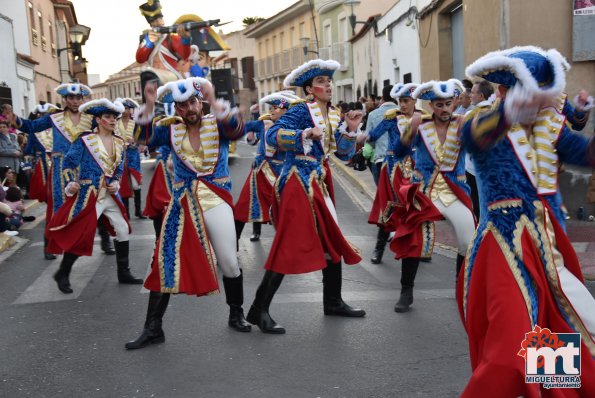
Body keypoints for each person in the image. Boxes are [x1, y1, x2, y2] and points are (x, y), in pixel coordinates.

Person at [460, 45, 595, 397]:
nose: (550, 102)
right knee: (511, 346)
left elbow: (583, 152)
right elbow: (474, 136)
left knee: (560, 327)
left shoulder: (549, 125)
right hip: (504, 245)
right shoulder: (482, 119)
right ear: (508, 91)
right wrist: (509, 112)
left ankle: (553, 392)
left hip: (547, 243)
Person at [125, 76, 249, 350]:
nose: (189, 109)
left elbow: (238, 130)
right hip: (182, 203)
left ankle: (236, 312)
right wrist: (147, 103)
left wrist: (216, 100)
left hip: (215, 199)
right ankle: (153, 327)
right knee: (163, 260)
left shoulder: (217, 123)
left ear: (200, 102)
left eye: (193, 102)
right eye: (182, 106)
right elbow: (140, 138)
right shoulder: (169, 130)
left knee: (228, 261)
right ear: (176, 109)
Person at [246, 59, 366, 335]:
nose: (328, 86)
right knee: (289, 243)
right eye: (322, 82)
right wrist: (304, 133)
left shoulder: (334, 114)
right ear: (310, 89)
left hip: (319, 183)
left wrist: (350, 129)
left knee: (331, 238)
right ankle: (258, 309)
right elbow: (274, 135)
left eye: (329, 81)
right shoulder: (300, 110)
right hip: (297, 182)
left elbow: (343, 154)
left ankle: (333, 301)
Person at [391, 79, 476, 313]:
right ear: (431, 106)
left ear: (455, 102)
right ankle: (406, 291)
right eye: (439, 105)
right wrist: (411, 129)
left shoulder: (464, 124)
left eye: (449, 103)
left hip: (454, 191)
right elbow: (399, 152)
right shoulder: (420, 124)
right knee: (413, 241)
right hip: (424, 191)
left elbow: (483, 145)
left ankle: (462, 289)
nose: (445, 109)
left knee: (468, 241)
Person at [46, 99, 142, 294]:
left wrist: (115, 181)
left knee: (122, 229)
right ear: (98, 119)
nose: (113, 120)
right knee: (82, 233)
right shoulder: (85, 140)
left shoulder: (119, 142)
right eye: (107, 117)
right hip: (90, 194)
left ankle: (124, 272)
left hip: (110, 195)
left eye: (114, 117)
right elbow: (68, 164)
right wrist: (71, 181)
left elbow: (118, 170)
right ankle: (63, 273)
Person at [12, 84, 118, 256]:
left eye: (78, 98)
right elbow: (31, 127)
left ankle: (105, 240)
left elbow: (107, 131)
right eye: (71, 98)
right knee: (58, 206)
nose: (75, 101)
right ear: (65, 99)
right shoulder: (54, 118)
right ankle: (50, 245)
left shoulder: (91, 118)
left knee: (93, 202)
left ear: (83, 99)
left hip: (86, 165)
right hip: (61, 167)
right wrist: (14, 118)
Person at [362, 83, 421, 265]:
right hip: (393, 169)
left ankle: (417, 248)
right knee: (389, 209)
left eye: (406, 101)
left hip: (414, 170)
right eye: (400, 101)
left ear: (414, 101)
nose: (402, 105)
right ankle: (379, 248)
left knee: (415, 209)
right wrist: (363, 137)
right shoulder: (392, 118)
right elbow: (374, 134)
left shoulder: (422, 119)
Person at [234, 91, 298, 244]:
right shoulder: (264, 122)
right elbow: (244, 128)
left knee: (283, 209)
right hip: (260, 171)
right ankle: (235, 242)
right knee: (246, 206)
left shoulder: (294, 127)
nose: (271, 111)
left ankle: (286, 243)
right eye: (272, 107)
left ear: (286, 111)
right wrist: (239, 120)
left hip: (280, 173)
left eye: (276, 108)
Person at [136, 0, 191, 79]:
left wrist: (186, 39)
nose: (158, 22)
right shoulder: (146, 38)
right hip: (156, 79)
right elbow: (140, 59)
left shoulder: (170, 38)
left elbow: (185, 55)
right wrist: (149, 42)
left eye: (160, 19)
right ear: (151, 24)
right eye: (154, 21)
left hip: (173, 78)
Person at [465, 80, 495, 220]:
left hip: (474, 166)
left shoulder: (472, 115)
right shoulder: (498, 112)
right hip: (494, 166)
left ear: (481, 96)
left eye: (472, 92)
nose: (470, 95)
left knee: (478, 205)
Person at [115, 98, 147, 220]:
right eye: (123, 108)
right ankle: (126, 212)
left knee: (135, 183)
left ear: (130, 110)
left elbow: (142, 138)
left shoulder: (135, 123)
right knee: (123, 183)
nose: (125, 111)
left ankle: (138, 210)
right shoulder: (116, 122)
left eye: (127, 108)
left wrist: (136, 141)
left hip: (133, 155)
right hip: (121, 156)